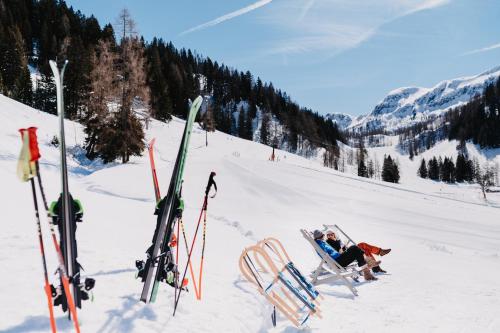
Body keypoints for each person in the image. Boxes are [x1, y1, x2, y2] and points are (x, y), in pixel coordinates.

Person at [313, 230, 377, 281]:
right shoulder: (320, 245)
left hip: (338, 258)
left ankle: (367, 268)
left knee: (356, 250)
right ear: (320, 236)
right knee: (354, 248)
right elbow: (326, 255)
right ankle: (368, 265)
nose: (324, 236)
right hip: (337, 262)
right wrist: (337, 254)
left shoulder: (321, 242)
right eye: (323, 235)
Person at [325, 230, 391, 273]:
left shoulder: (337, 241)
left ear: (334, 234)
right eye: (328, 235)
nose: (330, 236)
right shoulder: (329, 243)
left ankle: (376, 265)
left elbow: (342, 249)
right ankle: (377, 263)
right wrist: (339, 245)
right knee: (362, 246)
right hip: (343, 257)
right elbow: (338, 253)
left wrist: (344, 246)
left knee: (363, 246)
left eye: (331, 234)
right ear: (327, 237)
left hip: (346, 253)